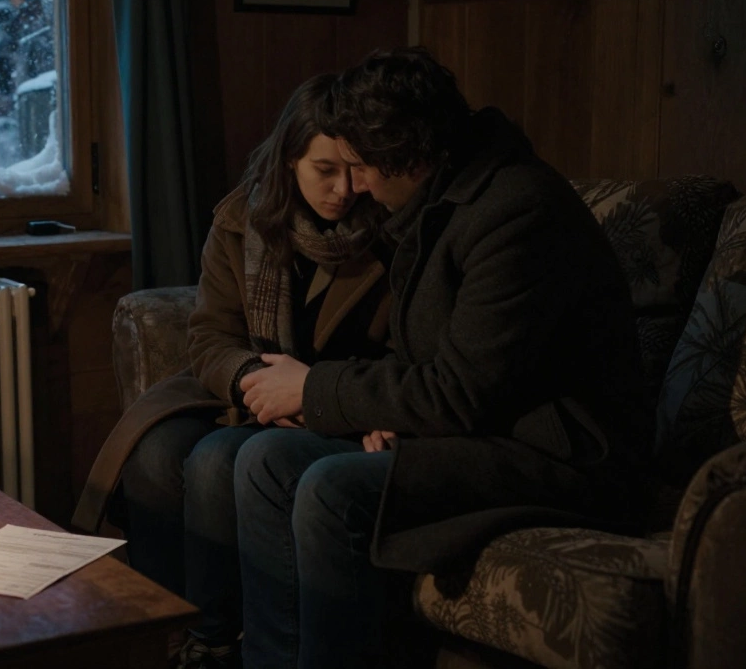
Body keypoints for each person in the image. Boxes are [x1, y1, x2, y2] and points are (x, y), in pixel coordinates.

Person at [233, 47, 651, 668]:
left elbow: (462, 390)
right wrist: (383, 410)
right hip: (485, 428)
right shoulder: (438, 202)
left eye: (362, 168)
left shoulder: (517, 212)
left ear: (407, 158)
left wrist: (316, 389)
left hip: (559, 451)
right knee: (265, 460)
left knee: (330, 487)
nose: (359, 189)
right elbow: (424, 352)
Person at [71, 73, 393, 668]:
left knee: (217, 460)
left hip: (334, 402)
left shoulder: (389, 230)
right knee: (154, 451)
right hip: (249, 391)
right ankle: (161, 632)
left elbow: (402, 350)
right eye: (326, 170)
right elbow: (211, 334)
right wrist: (251, 378)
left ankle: (213, 640)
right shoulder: (246, 218)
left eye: (355, 170)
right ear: (291, 156)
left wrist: (315, 394)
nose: (345, 189)